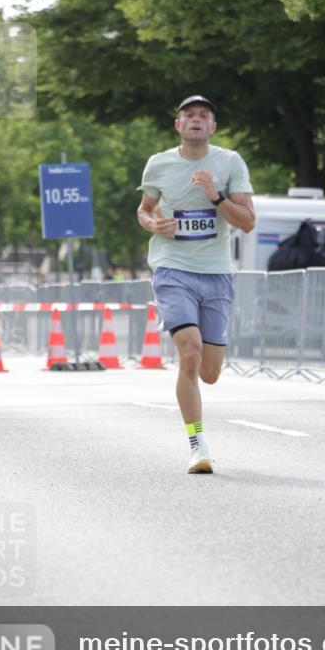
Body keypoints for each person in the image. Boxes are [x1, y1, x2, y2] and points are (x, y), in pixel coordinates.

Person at [137, 95, 255, 474]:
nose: (196, 120)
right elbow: (144, 209)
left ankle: (198, 429)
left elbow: (248, 221)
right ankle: (197, 445)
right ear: (178, 125)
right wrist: (154, 224)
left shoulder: (229, 162)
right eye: (188, 115)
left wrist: (215, 195)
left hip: (217, 272)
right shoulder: (159, 163)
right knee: (189, 352)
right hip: (172, 268)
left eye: (204, 115)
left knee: (210, 372)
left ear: (213, 127)